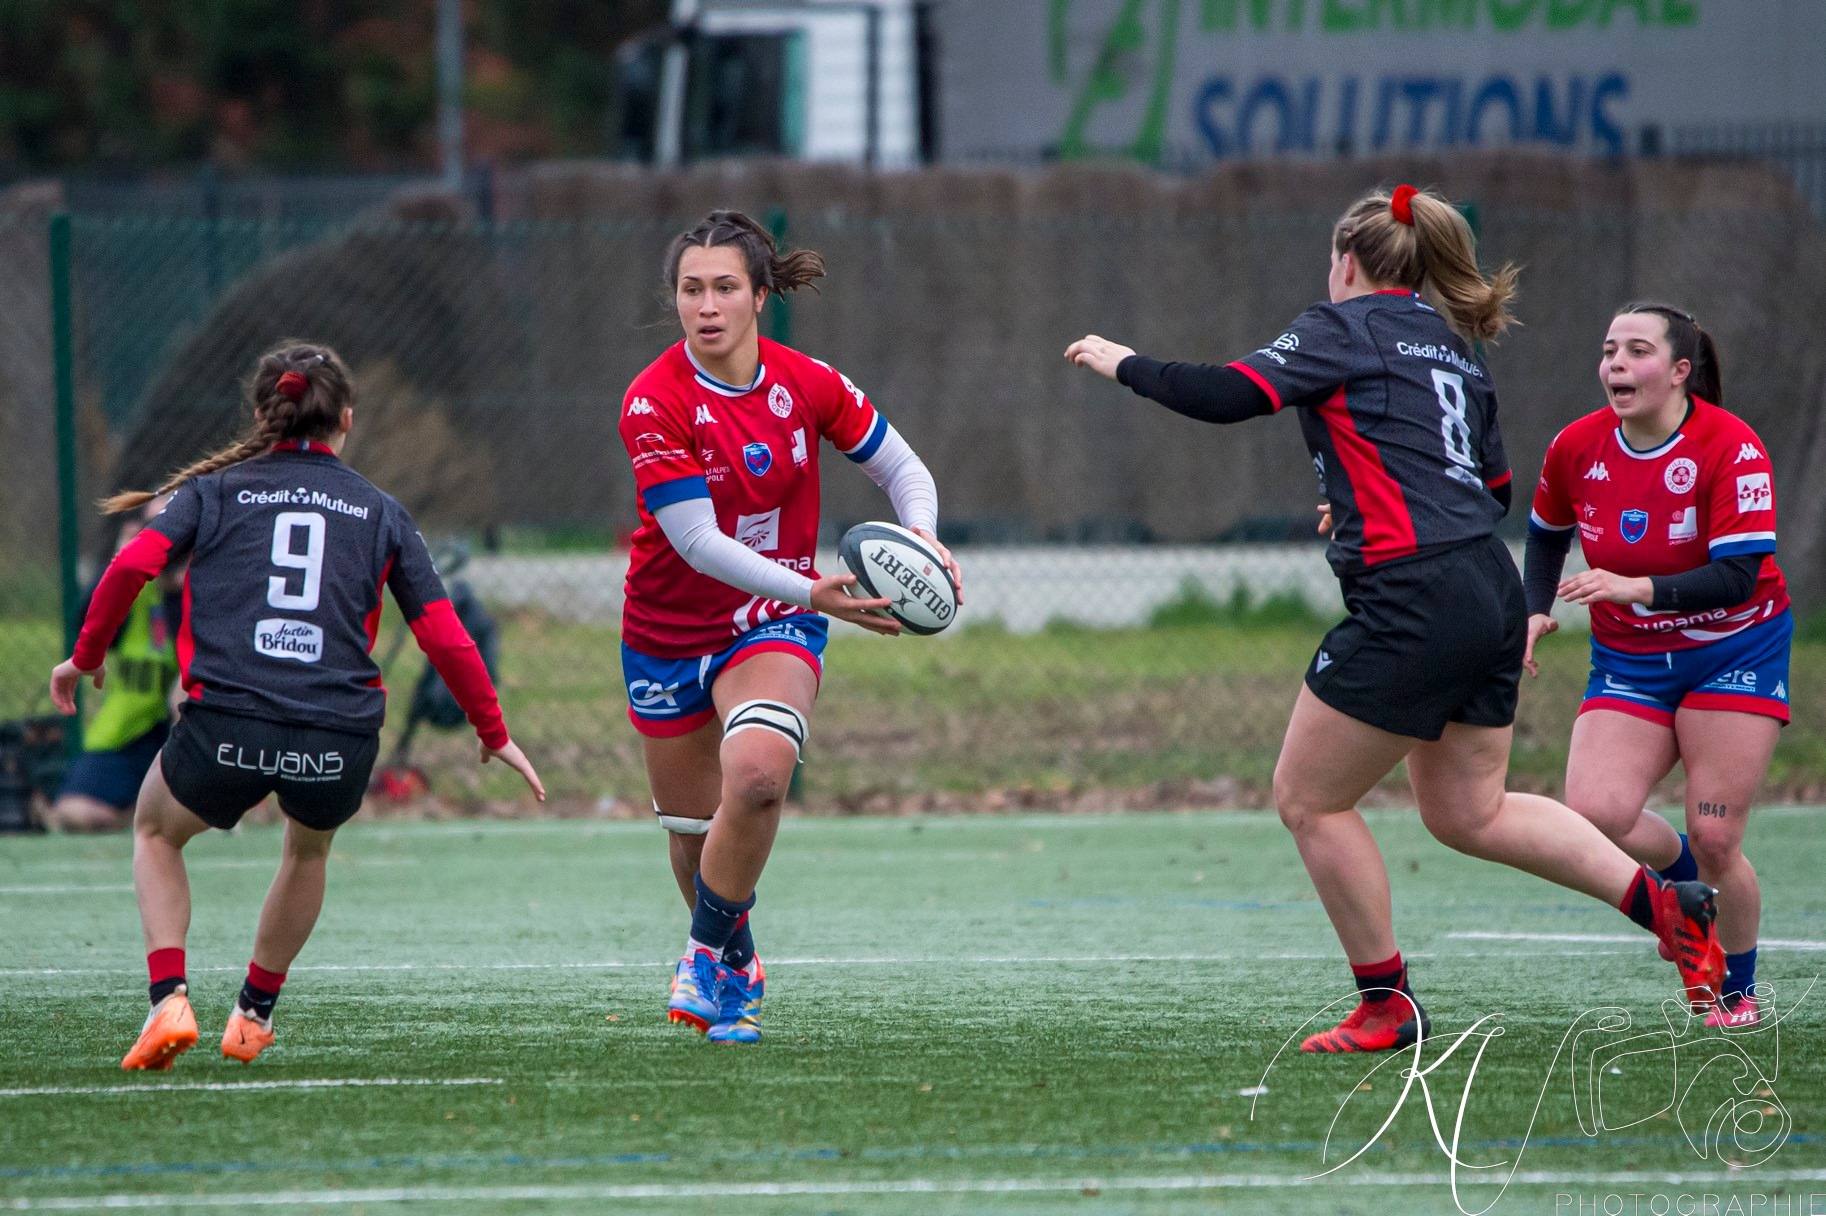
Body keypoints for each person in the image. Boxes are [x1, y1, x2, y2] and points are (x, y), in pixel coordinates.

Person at [1065, 184, 1724, 1053]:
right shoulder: (1456, 351)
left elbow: (1228, 394)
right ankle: (1664, 903)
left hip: (1416, 597)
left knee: (1307, 799)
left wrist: (1121, 360)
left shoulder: (1344, 325)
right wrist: (1365, 497)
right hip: (1486, 587)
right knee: (1468, 813)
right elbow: (1487, 490)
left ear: (1346, 260)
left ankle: (1387, 1002)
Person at [49, 341, 544, 1071]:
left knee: (155, 832)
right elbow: (443, 631)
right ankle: (253, 1014)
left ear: (260, 415)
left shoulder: (213, 492)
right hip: (337, 737)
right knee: (307, 848)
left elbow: (131, 565)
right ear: (346, 419)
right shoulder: (382, 512)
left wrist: (84, 656)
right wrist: (492, 729)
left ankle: (168, 999)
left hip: (227, 724)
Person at [618, 210, 959, 1045]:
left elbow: (903, 469)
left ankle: (700, 955)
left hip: (772, 622)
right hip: (667, 629)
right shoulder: (653, 400)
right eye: (691, 289)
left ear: (760, 296)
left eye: (725, 287)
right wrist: (817, 590)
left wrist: (920, 536)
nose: (707, 305)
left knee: (762, 774)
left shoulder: (806, 382)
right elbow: (697, 544)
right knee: (692, 840)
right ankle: (738, 962)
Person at [1524, 304, 1785, 1028]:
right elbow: (1546, 536)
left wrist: (1636, 586)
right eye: (1609, 350)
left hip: (1733, 651)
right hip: (1631, 656)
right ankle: (1683, 891)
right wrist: (1534, 609)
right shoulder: (1576, 446)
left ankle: (1737, 993)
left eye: (1636, 351)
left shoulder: (1731, 448)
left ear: (1679, 372)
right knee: (1597, 809)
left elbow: (1738, 577)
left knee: (1715, 836)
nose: (1615, 365)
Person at [49, 498, 182, 833]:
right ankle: (138, 812)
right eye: (157, 526)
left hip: (186, 733)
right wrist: (122, 563)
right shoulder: (135, 589)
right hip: (133, 731)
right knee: (72, 812)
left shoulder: (212, 585)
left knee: (184, 695)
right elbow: (90, 625)